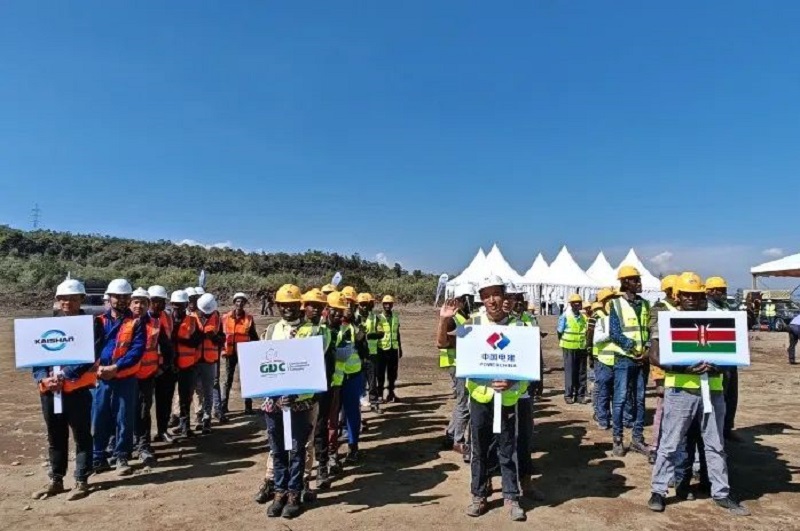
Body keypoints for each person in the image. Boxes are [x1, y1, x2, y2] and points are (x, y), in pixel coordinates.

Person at [647, 274, 750, 516]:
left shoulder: (718, 320)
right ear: (678, 296)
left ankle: (721, 492)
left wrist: (719, 366)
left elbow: (731, 356)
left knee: (715, 444)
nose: (691, 299)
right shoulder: (668, 321)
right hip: (680, 391)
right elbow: (654, 355)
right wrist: (683, 368)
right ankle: (658, 491)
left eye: (696, 295)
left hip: (713, 391)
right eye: (687, 295)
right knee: (670, 444)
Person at [436, 275, 529, 522]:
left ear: (504, 296)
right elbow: (443, 343)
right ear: (481, 299)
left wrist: (512, 382)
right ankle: (479, 494)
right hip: (480, 398)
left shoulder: (518, 327)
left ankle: (511, 496)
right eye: (486, 295)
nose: (492, 300)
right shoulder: (473, 324)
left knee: (507, 448)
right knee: (479, 449)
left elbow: (527, 367)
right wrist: (444, 320)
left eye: (496, 294)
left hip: (507, 399)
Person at [260, 284, 324, 519]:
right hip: (274, 401)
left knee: (297, 449)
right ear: (277, 306)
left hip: (300, 401)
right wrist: (275, 393)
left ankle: (294, 494)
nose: (288, 309)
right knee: (278, 449)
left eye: (293, 305)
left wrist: (296, 393)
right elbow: (263, 364)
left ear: (300, 306)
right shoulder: (271, 330)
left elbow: (313, 367)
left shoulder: (315, 332)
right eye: (283, 305)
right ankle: (279, 493)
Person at [31, 277, 96, 501]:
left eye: (73, 298)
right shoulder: (46, 325)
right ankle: (56, 480)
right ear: (58, 300)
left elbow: (90, 355)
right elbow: (37, 357)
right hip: (50, 392)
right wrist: (43, 379)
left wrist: (64, 374)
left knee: (82, 436)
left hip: (77, 391)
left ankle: (82, 479)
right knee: (55, 436)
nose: (67, 302)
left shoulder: (91, 325)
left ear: (81, 299)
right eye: (63, 298)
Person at [92, 279, 146, 476]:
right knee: (99, 416)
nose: (121, 300)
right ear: (110, 298)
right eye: (117, 296)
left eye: (125, 296)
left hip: (125, 378)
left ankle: (122, 455)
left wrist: (116, 367)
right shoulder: (98, 321)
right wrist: (98, 368)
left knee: (124, 418)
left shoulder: (136, 322)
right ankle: (98, 457)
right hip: (101, 377)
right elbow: (91, 348)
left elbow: (136, 350)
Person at [608, 266, 651, 457]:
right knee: (620, 399)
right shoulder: (616, 304)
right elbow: (614, 333)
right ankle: (617, 439)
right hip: (624, 359)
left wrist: (646, 350)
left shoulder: (645, 304)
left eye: (638, 279)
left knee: (640, 400)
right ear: (625, 282)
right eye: (635, 280)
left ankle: (637, 439)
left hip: (642, 360)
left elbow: (649, 330)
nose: (639, 283)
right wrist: (633, 348)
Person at [131, 287, 172, 467]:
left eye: (143, 302)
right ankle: (124, 446)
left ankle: (143, 445)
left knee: (142, 411)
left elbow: (167, 347)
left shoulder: (156, 323)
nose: (139, 306)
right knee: (124, 411)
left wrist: (163, 367)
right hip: (125, 375)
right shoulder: (125, 322)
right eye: (136, 302)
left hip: (146, 375)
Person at [646, 275, 678, 463]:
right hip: (663, 366)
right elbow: (655, 344)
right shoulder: (659, 309)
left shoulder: (683, 309)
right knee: (663, 408)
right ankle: (655, 447)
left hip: (681, 368)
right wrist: (658, 375)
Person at [441, 283, 473, 461]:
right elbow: (448, 341)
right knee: (464, 403)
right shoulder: (453, 318)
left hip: (462, 363)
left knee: (461, 401)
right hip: (457, 363)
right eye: (465, 299)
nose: (468, 302)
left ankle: (451, 433)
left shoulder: (463, 316)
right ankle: (458, 440)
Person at [705, 277, 740, 442]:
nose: (723, 293)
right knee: (720, 395)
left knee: (732, 395)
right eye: (720, 290)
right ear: (710, 291)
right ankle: (718, 430)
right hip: (717, 358)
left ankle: (727, 428)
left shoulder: (725, 306)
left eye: (724, 290)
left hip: (730, 356)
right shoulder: (706, 309)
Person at [219, 292, 259, 418]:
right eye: (237, 301)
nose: (239, 303)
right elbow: (221, 336)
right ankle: (223, 406)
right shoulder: (225, 317)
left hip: (244, 353)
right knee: (228, 380)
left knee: (246, 380)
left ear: (245, 303)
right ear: (234, 303)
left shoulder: (249, 318)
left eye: (242, 301)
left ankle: (248, 407)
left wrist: (257, 349)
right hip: (230, 353)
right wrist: (222, 350)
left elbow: (253, 336)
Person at [171, 290, 203, 438]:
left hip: (187, 366)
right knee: (166, 398)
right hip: (168, 366)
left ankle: (185, 427)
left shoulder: (192, 321)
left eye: (180, 305)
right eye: (175, 305)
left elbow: (196, 341)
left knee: (185, 398)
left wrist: (178, 339)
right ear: (171, 304)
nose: (177, 308)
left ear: (186, 305)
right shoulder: (167, 320)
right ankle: (165, 428)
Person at [147, 286, 177, 445]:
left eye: (161, 301)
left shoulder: (167, 317)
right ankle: (143, 438)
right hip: (146, 369)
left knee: (164, 401)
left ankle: (162, 431)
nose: (158, 304)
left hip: (164, 368)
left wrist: (166, 365)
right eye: (154, 301)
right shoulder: (141, 318)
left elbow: (169, 342)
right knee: (144, 406)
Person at [590, 288, 619, 430]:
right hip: (601, 358)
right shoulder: (598, 317)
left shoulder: (619, 316)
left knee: (615, 392)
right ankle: (602, 417)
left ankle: (610, 416)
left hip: (617, 359)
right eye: (609, 299)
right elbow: (592, 337)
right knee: (602, 389)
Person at [195, 293, 224, 434]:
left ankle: (207, 420)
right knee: (195, 391)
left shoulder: (217, 318)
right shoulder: (192, 317)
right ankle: (197, 417)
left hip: (210, 361)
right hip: (193, 361)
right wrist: (199, 336)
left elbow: (223, 339)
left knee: (208, 391)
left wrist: (215, 337)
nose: (206, 314)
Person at [558, 294, 589, 404]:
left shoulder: (584, 317)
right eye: (575, 303)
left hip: (581, 347)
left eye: (579, 303)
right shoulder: (565, 316)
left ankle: (580, 395)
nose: (578, 305)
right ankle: (568, 395)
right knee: (570, 372)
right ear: (571, 304)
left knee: (581, 373)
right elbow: (559, 331)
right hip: (569, 347)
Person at [357, 293, 384, 412]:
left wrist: (370, 335)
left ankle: (374, 404)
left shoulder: (375, 317)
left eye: (366, 304)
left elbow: (381, 333)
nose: (364, 307)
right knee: (359, 383)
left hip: (371, 354)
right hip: (357, 355)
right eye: (361, 304)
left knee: (372, 381)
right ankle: (358, 408)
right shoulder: (353, 318)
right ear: (358, 305)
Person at [377, 295, 402, 402]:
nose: (387, 306)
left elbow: (397, 333)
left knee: (392, 374)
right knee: (380, 374)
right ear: (382, 305)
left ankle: (391, 393)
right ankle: (379, 394)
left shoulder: (395, 317)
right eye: (385, 304)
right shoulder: (378, 318)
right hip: (382, 349)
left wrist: (400, 347)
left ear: (392, 305)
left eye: (389, 304)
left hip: (393, 349)